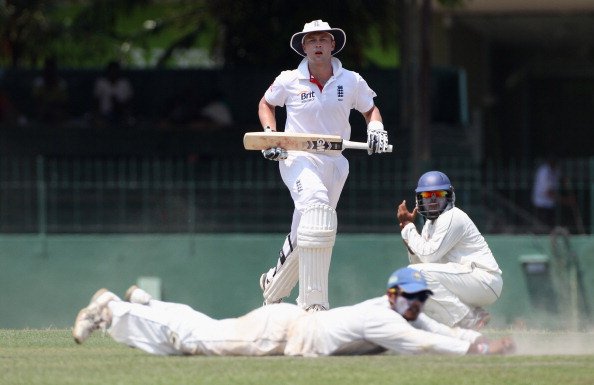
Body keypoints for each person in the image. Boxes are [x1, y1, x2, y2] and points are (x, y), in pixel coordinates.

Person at [72, 267, 514, 356]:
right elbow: (421, 343)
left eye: (420, 297)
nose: (417, 304)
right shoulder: (385, 317)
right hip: (277, 336)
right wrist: (474, 354)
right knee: (192, 340)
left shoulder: (400, 311)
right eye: (411, 296)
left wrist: (477, 339)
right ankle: (112, 308)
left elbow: (435, 327)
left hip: (287, 329)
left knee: (203, 327)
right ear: (395, 294)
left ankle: (146, 304)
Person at [256, 20, 390, 312]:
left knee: (316, 227)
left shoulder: (351, 80)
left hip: (335, 160)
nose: (317, 44)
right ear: (303, 47)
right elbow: (266, 104)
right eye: (311, 40)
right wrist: (271, 134)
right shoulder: (288, 79)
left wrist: (376, 128)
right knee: (315, 206)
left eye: (322, 39)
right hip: (298, 156)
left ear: (332, 44)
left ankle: (274, 283)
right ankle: (313, 302)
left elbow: (370, 109)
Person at [396, 171, 503, 330]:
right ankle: (468, 320)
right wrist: (408, 239)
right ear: (420, 199)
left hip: (483, 279)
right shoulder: (429, 225)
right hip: (468, 280)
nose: (432, 199)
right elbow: (421, 262)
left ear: (448, 196)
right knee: (414, 286)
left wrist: (408, 228)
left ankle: (469, 317)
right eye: (427, 194)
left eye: (438, 194)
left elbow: (428, 257)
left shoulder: (452, 216)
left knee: (414, 274)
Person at [93, 61, 134, 126]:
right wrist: (97, 116)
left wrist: (119, 105)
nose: (113, 73)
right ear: (108, 71)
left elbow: (129, 102)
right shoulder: (101, 83)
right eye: (111, 70)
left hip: (121, 115)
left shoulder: (125, 83)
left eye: (115, 70)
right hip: (105, 115)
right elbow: (95, 101)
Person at [31, 57, 70, 124]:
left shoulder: (61, 84)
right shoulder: (38, 83)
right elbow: (36, 103)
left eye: (51, 69)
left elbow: (64, 104)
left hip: (57, 113)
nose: (49, 71)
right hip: (42, 113)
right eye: (47, 68)